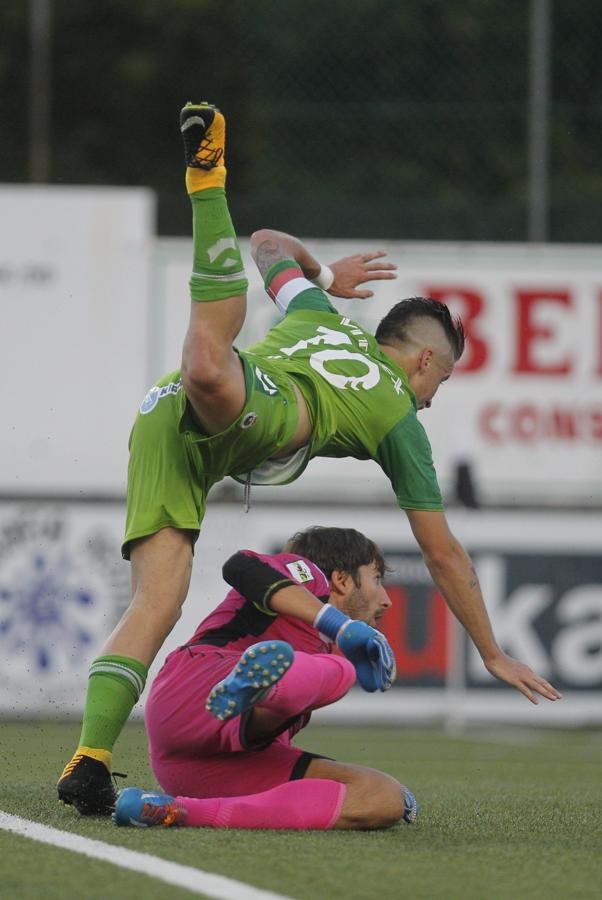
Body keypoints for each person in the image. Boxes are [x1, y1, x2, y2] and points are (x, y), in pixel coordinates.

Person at [57, 101, 561, 816]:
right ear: (422, 360)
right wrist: (491, 651)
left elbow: (267, 245)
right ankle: (207, 187)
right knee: (211, 373)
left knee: (158, 599)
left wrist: (322, 275)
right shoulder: (399, 420)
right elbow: (444, 553)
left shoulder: (321, 314)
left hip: (163, 426)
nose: (432, 400)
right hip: (253, 406)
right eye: (439, 382)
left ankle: (89, 760)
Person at [113, 526, 414, 831]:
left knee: (383, 796)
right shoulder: (311, 577)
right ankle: (267, 688)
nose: (386, 599)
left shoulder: (327, 649)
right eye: (376, 579)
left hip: (209, 764)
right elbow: (239, 566)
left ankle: (178, 811)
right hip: (194, 689)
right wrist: (337, 625)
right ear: (342, 580)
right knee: (341, 671)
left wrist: (340, 779)